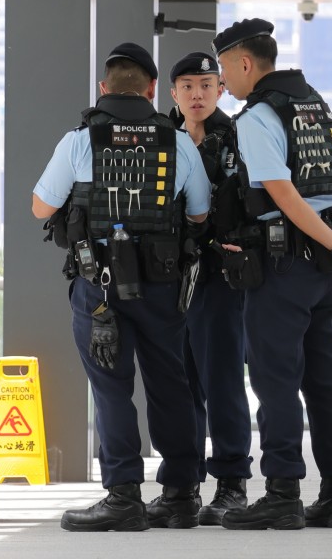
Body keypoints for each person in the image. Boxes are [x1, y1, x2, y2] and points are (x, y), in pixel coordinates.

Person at [32, 42, 212, 532]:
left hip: (99, 286)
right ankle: (179, 496)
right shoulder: (177, 141)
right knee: (170, 385)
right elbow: (199, 211)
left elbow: (40, 208)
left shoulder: (78, 141)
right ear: (153, 89)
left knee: (111, 389)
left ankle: (123, 496)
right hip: (163, 283)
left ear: (104, 88)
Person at [210, 18, 332, 531]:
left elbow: (281, 193)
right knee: (324, 378)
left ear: (244, 63)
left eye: (222, 70)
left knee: (275, 379)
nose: (222, 83)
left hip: (285, 263)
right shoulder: (316, 107)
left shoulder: (257, 117)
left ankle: (282, 491)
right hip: (328, 266)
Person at [167, 51, 253, 524]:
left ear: (221, 88)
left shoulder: (238, 136)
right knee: (177, 383)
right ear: (173, 92)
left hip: (221, 275)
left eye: (205, 84)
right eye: (187, 86)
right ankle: (183, 484)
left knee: (222, 379)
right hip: (170, 275)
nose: (196, 95)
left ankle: (232, 483)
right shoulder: (159, 137)